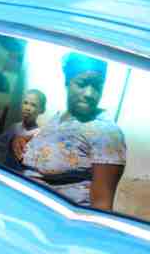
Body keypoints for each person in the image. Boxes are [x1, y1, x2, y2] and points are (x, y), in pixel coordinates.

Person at [12, 53, 126, 210]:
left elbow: (101, 206)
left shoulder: (106, 133)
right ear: (67, 81)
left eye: (97, 86)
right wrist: (23, 139)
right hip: (22, 206)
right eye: (82, 84)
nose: (89, 94)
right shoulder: (59, 118)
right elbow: (54, 141)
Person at [0, 89, 46, 170]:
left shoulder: (39, 135)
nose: (27, 108)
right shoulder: (14, 127)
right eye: (25, 103)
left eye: (33, 105)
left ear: (42, 110)